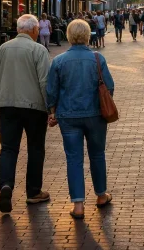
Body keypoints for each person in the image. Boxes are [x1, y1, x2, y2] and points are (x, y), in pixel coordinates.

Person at [46, 19, 115, 220]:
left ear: (68, 35)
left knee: (73, 158)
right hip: (95, 114)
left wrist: (52, 111)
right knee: (97, 154)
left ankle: (78, 205)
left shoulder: (58, 61)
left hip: (68, 115)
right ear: (87, 35)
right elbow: (109, 86)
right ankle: (101, 195)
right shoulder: (97, 59)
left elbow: (51, 91)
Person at [0, 14, 51, 213]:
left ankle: (6, 185)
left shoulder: (3, 49)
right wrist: (51, 107)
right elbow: (45, 82)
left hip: (7, 105)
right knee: (35, 148)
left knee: (8, 148)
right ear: (34, 30)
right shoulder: (38, 50)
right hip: (34, 107)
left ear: (17, 29)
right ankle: (33, 192)